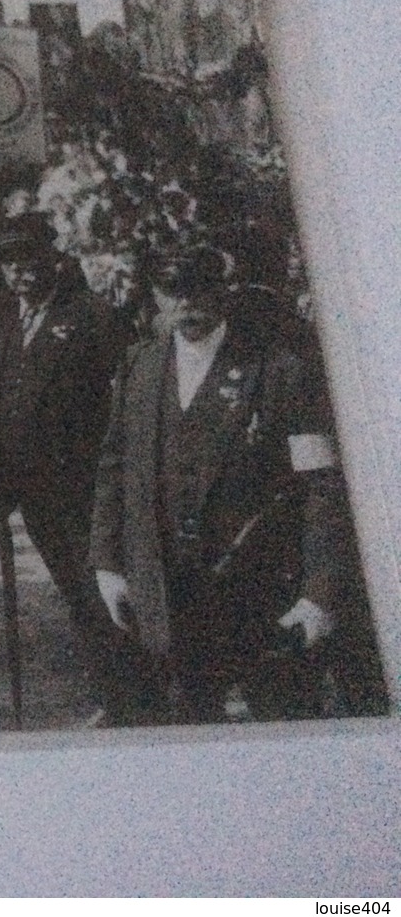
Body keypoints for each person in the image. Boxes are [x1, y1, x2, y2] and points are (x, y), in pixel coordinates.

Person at [89, 246, 356, 723]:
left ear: (224, 293)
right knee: (196, 726)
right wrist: (109, 563)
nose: (187, 305)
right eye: (173, 292)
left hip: (264, 593)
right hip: (172, 593)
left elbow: (322, 489)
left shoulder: (278, 369)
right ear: (155, 296)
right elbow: (115, 465)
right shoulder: (141, 365)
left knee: (284, 723)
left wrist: (319, 594)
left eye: (200, 291)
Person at [0, 212, 134, 724]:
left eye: (29, 259)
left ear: (54, 258)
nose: (20, 271)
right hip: (34, 493)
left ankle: (132, 700)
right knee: (76, 595)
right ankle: (112, 696)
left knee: (103, 594)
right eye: (9, 262)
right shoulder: (8, 321)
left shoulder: (91, 317)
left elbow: (121, 409)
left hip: (82, 487)